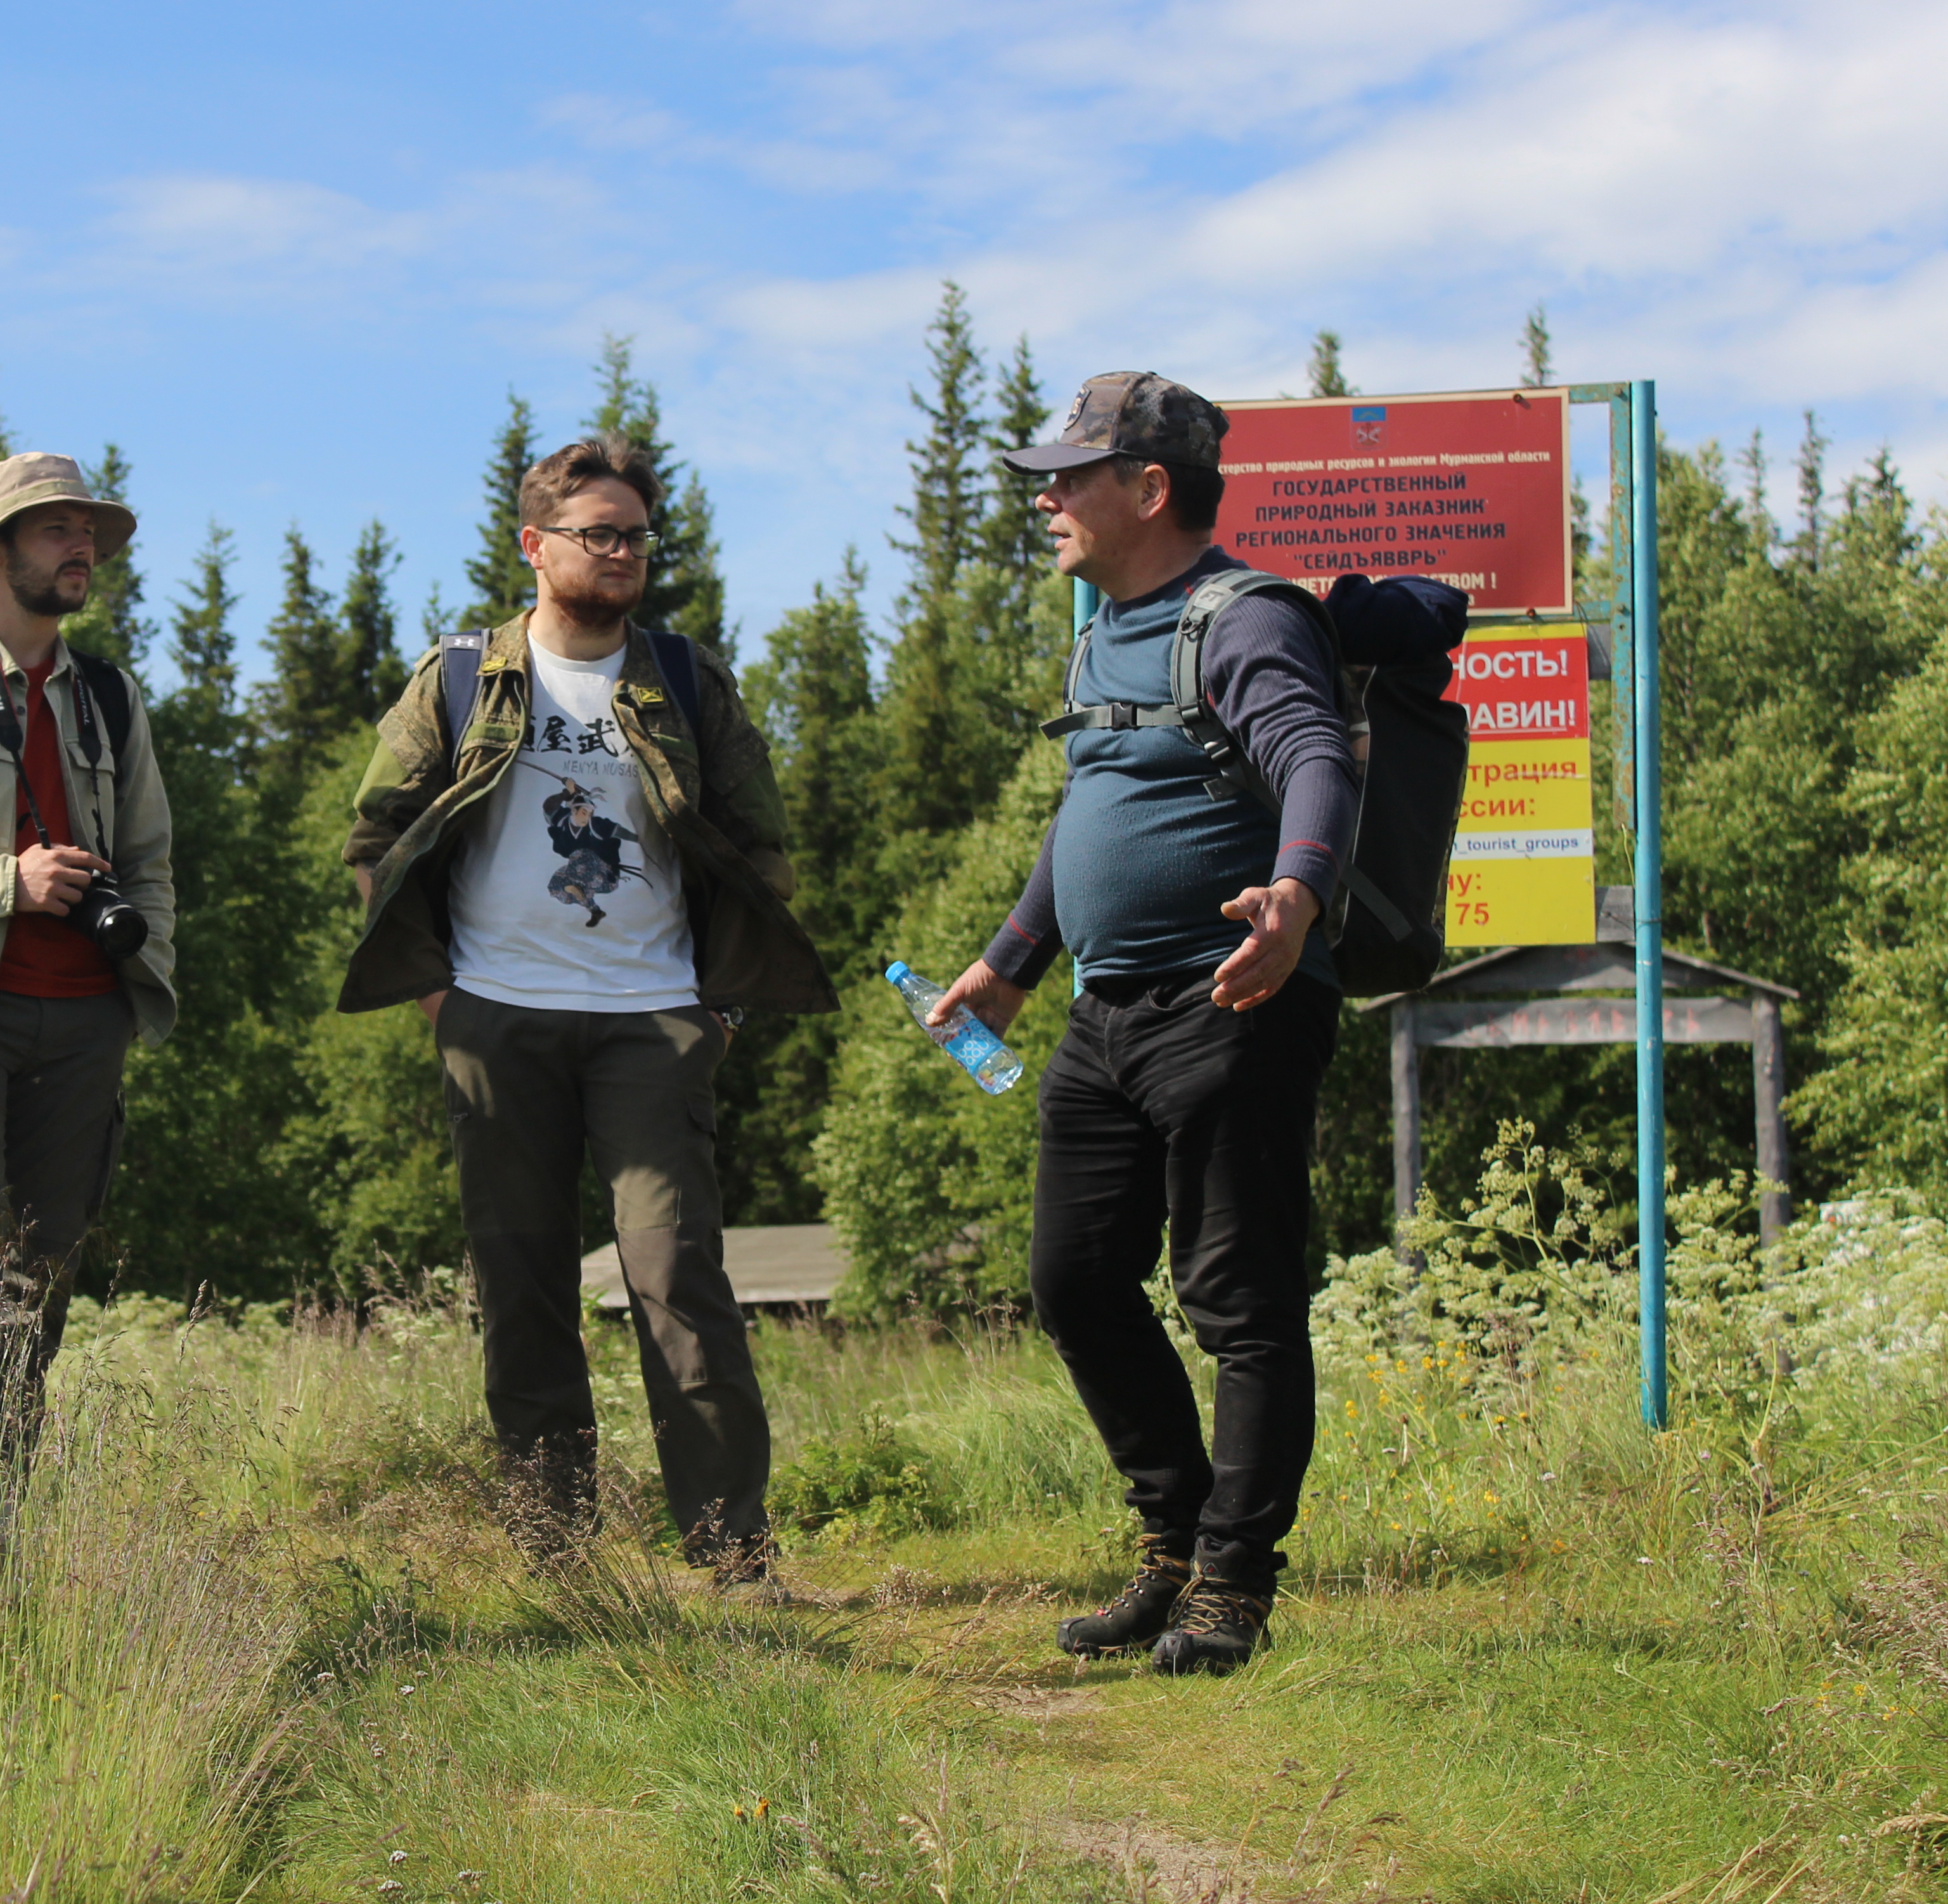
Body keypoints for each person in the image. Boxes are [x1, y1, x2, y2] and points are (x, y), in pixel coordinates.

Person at [340, 434, 834, 1583]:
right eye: (598, 534)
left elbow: (763, 847)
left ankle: (731, 1558)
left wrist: (719, 1009)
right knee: (522, 1292)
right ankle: (557, 1561)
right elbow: (375, 837)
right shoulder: (462, 675)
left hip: (652, 1021)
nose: (622, 555)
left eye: (635, 537)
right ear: (535, 545)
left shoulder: (685, 678)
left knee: (677, 1284)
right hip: (494, 1021)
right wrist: (435, 995)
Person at [927, 370, 1363, 1674]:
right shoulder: (1103, 632)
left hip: (1234, 1001)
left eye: (1069, 476)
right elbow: (1089, 813)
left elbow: (1314, 756)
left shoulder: (1244, 621)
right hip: (1106, 1014)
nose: (1047, 498)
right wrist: (1011, 964)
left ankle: (1233, 1584)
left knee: (1237, 1300)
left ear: (1149, 489)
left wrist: (1293, 899)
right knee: (1072, 1280)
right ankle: (1170, 1546)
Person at [0, 453, 177, 1397]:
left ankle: (0, 1513)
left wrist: (142, 990)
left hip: (88, 1020)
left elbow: (150, 857)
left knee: (40, 1280)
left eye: (87, 532)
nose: (82, 546)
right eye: (57, 529)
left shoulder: (108, 694)